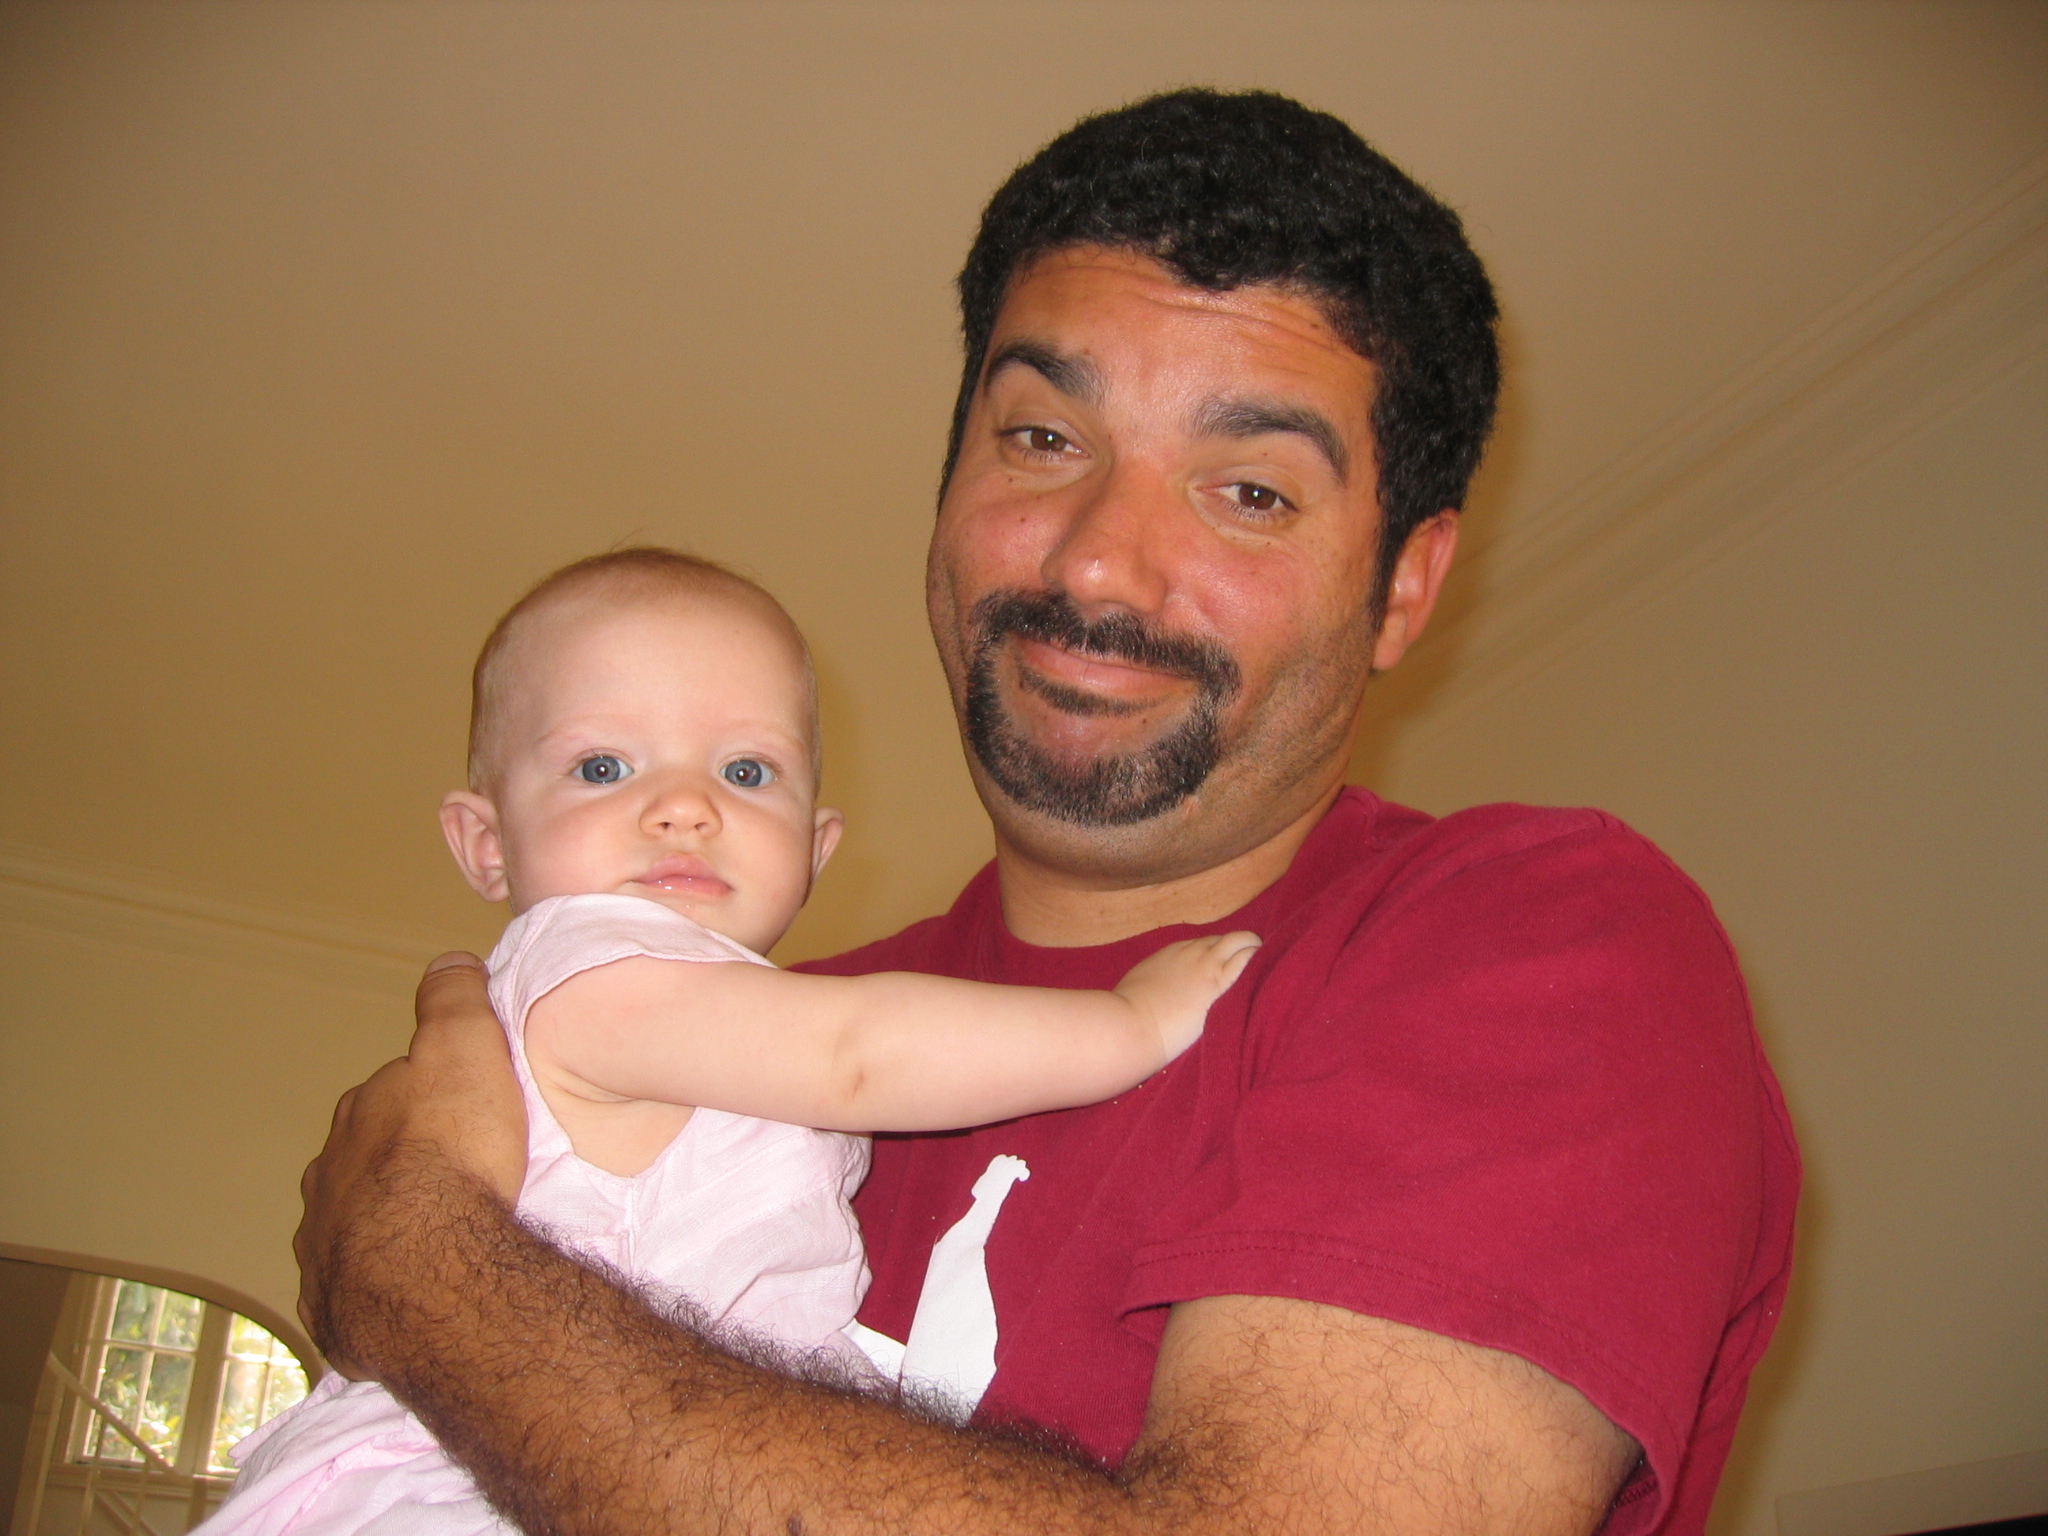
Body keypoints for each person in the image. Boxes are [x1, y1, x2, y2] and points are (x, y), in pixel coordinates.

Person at [292, 89, 1799, 1536]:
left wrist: (429, 1276)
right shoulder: (749, 1041)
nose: (1097, 564)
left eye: (1251, 492)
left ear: (1402, 583)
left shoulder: (1537, 940)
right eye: (1041, 441)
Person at [208, 549, 1256, 1534]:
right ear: (486, 844)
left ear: (814, 848)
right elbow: (856, 1054)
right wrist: (1127, 1024)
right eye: (603, 764)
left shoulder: (708, 1013)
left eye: (747, 772)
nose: (682, 807)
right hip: (454, 1483)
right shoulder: (586, 966)